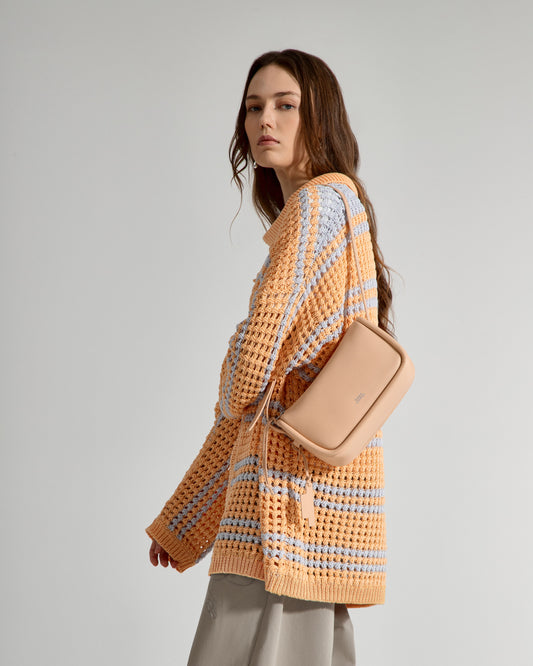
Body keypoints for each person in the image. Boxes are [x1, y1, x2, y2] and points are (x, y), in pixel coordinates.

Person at [146, 48, 396, 666]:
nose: (266, 120)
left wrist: (238, 351)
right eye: (254, 106)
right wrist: (184, 524)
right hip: (315, 515)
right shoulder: (342, 210)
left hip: (281, 515)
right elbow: (258, 406)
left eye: (286, 105)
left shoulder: (315, 208)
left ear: (320, 116)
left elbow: (248, 385)